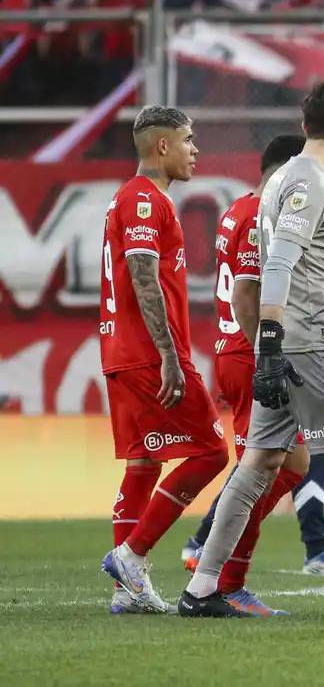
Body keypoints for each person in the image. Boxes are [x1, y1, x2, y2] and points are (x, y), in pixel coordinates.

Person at [178, 82, 324, 618]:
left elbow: (290, 271)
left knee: (257, 464)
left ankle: (202, 587)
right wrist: (275, 340)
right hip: (304, 349)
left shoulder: (279, 182)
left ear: (305, 126)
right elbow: (277, 264)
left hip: (290, 343)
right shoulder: (309, 183)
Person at [100, 106, 231, 614]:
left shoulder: (130, 199)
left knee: (144, 461)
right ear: (162, 147)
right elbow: (141, 273)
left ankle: (125, 590)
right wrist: (169, 357)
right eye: (189, 140)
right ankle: (133, 555)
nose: (195, 149)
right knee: (212, 453)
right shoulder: (143, 199)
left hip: (122, 352)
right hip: (148, 355)